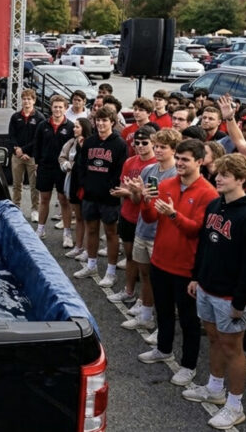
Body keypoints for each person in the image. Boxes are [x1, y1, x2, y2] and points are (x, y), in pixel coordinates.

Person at [180, 154, 246, 428]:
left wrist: (241, 301)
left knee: (233, 348)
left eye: (225, 175)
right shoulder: (216, 204)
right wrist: (197, 277)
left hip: (231, 296)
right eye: (218, 173)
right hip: (207, 287)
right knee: (215, 339)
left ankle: (235, 404)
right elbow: (205, 245)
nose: (218, 178)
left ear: (241, 179)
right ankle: (215, 388)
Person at [137, 139, 219, 385]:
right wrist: (144, 200)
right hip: (161, 260)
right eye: (179, 159)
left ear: (200, 162)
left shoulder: (209, 193)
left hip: (186, 266)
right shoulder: (166, 184)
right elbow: (150, 217)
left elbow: (196, 231)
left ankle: (189, 365)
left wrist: (173, 214)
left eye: (186, 159)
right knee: (163, 311)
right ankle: (163, 349)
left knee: (188, 320)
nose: (181, 163)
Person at [117, 128, 182, 342]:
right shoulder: (149, 170)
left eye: (163, 147)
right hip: (142, 229)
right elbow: (138, 203)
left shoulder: (176, 175)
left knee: (162, 283)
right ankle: (145, 315)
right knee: (145, 275)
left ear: (174, 150)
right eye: (157, 146)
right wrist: (136, 191)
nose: (159, 150)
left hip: (161, 235)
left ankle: (163, 326)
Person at [73, 108, 128, 282]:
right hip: (90, 194)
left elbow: (120, 171)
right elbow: (81, 164)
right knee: (92, 229)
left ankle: (111, 272)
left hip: (109, 196)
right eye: (98, 120)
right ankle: (91, 265)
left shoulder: (119, 144)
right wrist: (85, 184)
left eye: (105, 120)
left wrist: (110, 189)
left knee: (111, 233)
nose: (101, 123)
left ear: (112, 122)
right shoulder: (89, 142)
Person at [106, 126, 157, 292]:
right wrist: (127, 192)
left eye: (144, 142)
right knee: (129, 256)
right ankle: (128, 291)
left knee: (145, 265)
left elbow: (152, 196)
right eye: (137, 143)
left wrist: (131, 192)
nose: (140, 146)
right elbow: (123, 186)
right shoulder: (130, 161)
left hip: (145, 219)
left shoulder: (156, 165)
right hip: (127, 215)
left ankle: (143, 301)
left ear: (153, 143)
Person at [33, 95, 73, 246]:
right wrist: (37, 163)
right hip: (45, 167)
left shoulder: (70, 127)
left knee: (64, 200)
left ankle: (67, 233)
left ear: (65, 108)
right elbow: (37, 145)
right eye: (55, 107)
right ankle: (41, 229)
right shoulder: (42, 125)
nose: (57, 109)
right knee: (44, 199)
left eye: (60, 107)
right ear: (51, 108)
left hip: (62, 169)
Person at [7, 89, 44, 222]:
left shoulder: (40, 118)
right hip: (17, 156)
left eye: (29, 99)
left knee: (34, 185)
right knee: (17, 184)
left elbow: (38, 139)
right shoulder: (15, 117)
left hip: (32, 157)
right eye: (24, 99)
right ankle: (16, 207)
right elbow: (11, 136)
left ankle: (35, 209)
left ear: (34, 100)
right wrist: (17, 149)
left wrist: (26, 151)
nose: (26, 101)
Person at [61, 117, 94, 261]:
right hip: (73, 180)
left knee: (87, 220)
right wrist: (66, 164)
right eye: (74, 127)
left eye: (77, 127)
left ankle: (87, 250)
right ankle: (78, 246)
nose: (74, 129)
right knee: (79, 217)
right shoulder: (71, 143)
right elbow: (61, 157)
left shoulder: (91, 143)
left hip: (85, 183)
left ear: (84, 128)